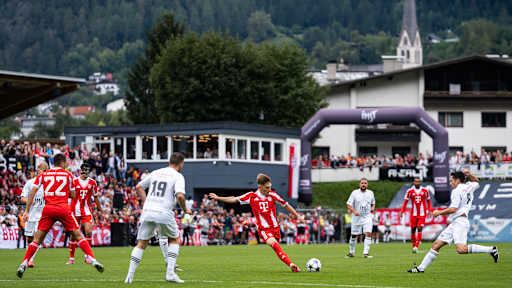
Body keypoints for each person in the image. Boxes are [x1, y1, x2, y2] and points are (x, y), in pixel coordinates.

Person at [17, 154, 104, 278]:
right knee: (78, 235)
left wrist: (26, 210)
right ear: (62, 163)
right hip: (63, 208)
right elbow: (73, 195)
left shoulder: (44, 175)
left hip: (48, 209)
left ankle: (23, 263)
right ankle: (93, 260)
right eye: (66, 162)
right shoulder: (68, 175)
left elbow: (32, 193)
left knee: (36, 239)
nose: (67, 164)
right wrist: (64, 194)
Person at [408, 169, 499, 273]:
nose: (450, 183)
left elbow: (453, 209)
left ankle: (491, 249)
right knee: (436, 245)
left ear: (457, 180)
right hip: (456, 222)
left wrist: (439, 212)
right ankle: (421, 268)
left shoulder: (457, 191)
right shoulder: (469, 186)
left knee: (461, 249)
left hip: (460, 222)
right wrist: (470, 175)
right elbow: (477, 182)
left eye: (451, 181)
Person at [209, 173, 302, 272]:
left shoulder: (272, 195)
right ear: (260, 186)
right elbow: (234, 198)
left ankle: (291, 264)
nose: (269, 190)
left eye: (270, 187)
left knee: (276, 245)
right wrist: (218, 198)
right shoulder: (251, 196)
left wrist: (297, 216)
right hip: (263, 229)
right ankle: (292, 265)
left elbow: (286, 205)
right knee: (274, 245)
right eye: (266, 188)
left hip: (275, 228)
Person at [125, 153, 192, 284]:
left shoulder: (156, 172)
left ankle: (129, 277)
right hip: (163, 211)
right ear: (181, 163)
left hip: (148, 211)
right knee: (174, 239)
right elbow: (180, 196)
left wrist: (146, 202)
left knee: (141, 244)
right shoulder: (178, 176)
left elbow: (138, 187)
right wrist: (185, 209)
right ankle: (170, 273)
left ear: (169, 161)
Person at [67, 163, 104, 264]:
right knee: (73, 235)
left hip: (86, 211)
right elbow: (69, 195)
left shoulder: (92, 182)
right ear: (81, 171)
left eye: (88, 170)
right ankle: (71, 258)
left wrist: (100, 210)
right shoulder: (74, 181)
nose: (87, 172)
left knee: (88, 231)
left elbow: (95, 197)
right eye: (85, 170)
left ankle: (87, 256)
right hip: (74, 211)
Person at [20, 162, 49, 267]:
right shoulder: (30, 183)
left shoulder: (48, 184)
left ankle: (30, 260)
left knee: (37, 237)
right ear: (38, 170)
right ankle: (29, 258)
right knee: (29, 238)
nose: (44, 172)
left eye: (46, 171)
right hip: (31, 215)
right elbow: (22, 197)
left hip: (42, 216)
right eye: (42, 170)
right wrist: (29, 201)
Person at [345, 178, 375, 258]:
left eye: (365, 183)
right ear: (359, 184)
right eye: (362, 183)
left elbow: (373, 203)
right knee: (354, 235)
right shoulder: (354, 193)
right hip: (356, 217)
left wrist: (372, 208)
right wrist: (354, 211)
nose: (363, 184)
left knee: (368, 233)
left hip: (367, 217)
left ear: (367, 185)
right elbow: (348, 204)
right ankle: (351, 252)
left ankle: (365, 253)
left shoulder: (370, 193)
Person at [400, 177, 432, 253]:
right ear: (413, 182)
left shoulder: (425, 190)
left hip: (422, 214)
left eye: (418, 182)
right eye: (416, 181)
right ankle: (414, 246)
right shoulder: (410, 191)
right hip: (413, 214)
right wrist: (402, 211)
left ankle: (416, 246)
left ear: (420, 182)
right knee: (413, 230)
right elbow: (405, 202)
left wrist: (429, 210)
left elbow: (429, 201)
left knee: (420, 228)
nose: (417, 183)